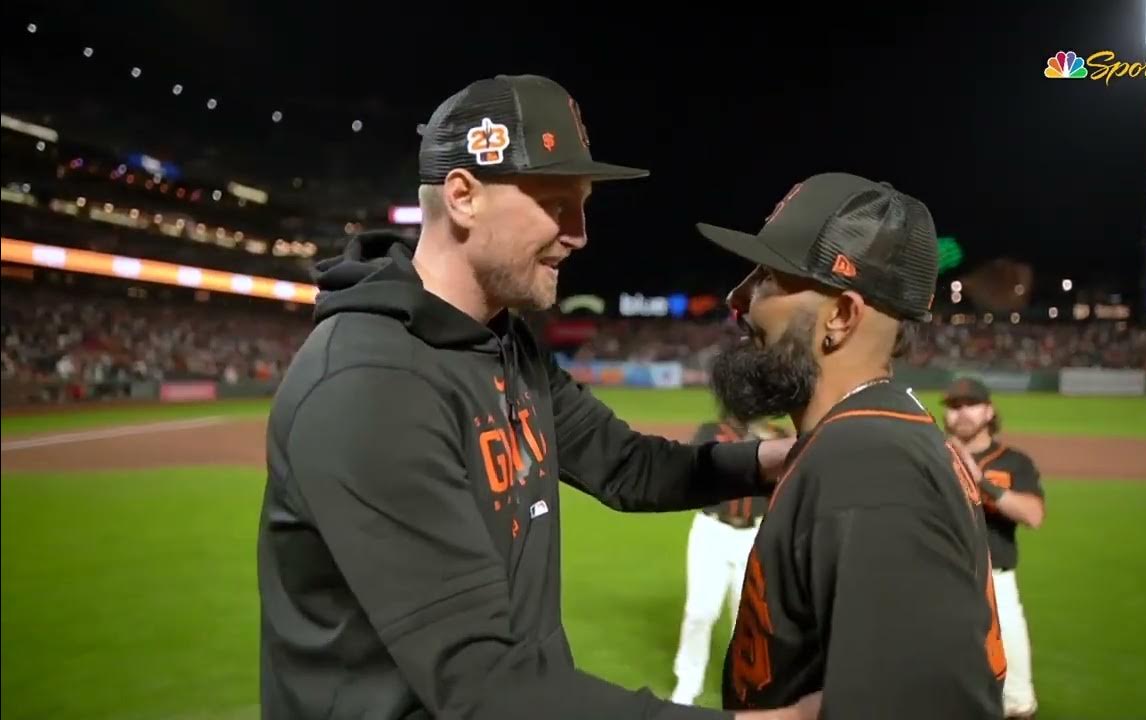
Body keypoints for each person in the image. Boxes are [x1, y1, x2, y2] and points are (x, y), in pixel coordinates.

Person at [256, 73, 819, 720]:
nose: (579, 233)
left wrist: (776, 460)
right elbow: (485, 685)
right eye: (555, 203)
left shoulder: (505, 342)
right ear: (463, 196)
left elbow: (628, 466)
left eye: (582, 204)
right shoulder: (369, 384)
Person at [695, 172, 1008, 718]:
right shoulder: (861, 437)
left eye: (767, 277)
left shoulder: (870, 465)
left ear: (840, 316)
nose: (737, 298)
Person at [943, 377, 1046, 720]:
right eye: (954, 407)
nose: (962, 413)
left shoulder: (1013, 461)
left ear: (989, 411)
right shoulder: (930, 458)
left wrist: (980, 481)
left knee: (1016, 699)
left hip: (996, 584)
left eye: (970, 404)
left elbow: (1033, 515)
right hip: (939, 582)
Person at [672, 415, 791, 706]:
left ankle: (746, 688)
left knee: (748, 617)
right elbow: (695, 472)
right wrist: (748, 447)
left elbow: (793, 474)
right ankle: (688, 682)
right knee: (700, 612)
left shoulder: (776, 435)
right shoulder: (710, 431)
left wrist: (774, 444)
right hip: (712, 530)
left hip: (752, 533)